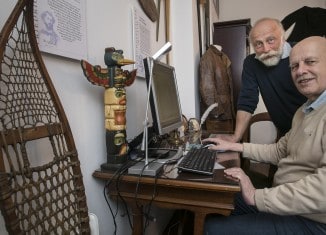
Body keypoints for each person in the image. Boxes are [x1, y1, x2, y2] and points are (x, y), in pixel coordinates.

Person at [203, 36, 326, 234]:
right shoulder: (304, 110)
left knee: (211, 227)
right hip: (286, 202)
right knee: (219, 199)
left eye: (310, 62)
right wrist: (236, 146)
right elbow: (279, 151)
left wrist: (256, 196)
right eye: (294, 66)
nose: (301, 71)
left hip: (313, 220)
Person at [225, 18, 306, 143]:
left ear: (282, 37)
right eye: (258, 44)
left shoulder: (303, 53)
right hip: (286, 135)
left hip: (315, 131)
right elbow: (247, 100)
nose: (266, 49)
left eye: (271, 40)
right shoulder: (251, 63)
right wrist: (236, 136)